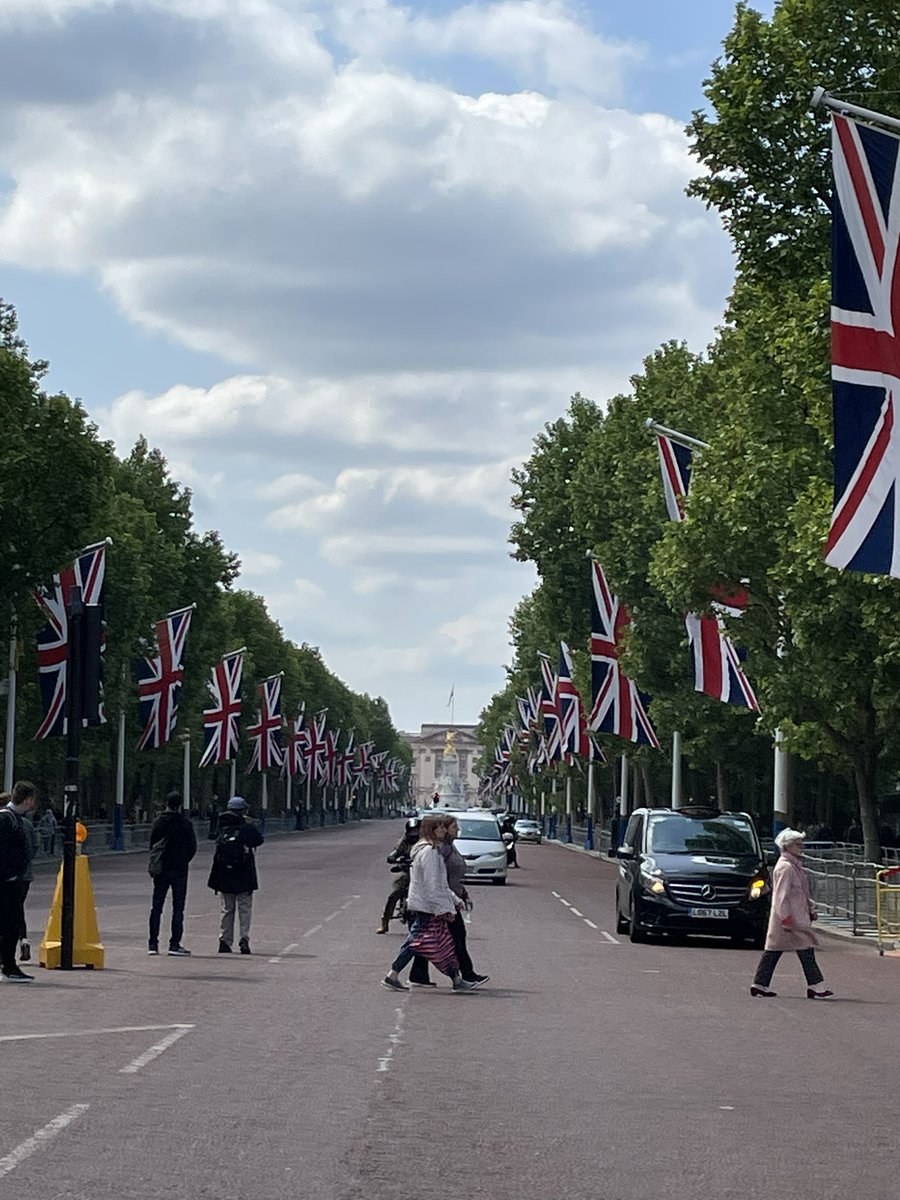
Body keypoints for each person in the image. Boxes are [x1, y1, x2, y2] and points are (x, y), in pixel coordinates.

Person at [381, 814, 477, 993]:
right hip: (428, 906)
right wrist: (444, 908)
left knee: (442, 943)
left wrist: (454, 900)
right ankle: (393, 974)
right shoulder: (430, 852)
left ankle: (456, 979)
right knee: (420, 942)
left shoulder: (431, 850)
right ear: (431, 830)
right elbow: (434, 885)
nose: (443, 830)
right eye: (439, 827)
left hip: (429, 904)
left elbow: (440, 883)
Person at [750, 828, 833, 1000]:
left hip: (793, 918)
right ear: (787, 846)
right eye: (797, 844)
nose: (800, 847)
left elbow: (802, 893)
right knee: (805, 950)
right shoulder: (786, 868)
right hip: (790, 919)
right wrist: (786, 917)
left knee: (775, 951)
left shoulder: (792, 867)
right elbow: (781, 895)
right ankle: (816, 986)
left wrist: (810, 909)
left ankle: (759, 984)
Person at [411, 815, 489, 989]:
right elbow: (438, 878)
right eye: (453, 827)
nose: (456, 830)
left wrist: (463, 893)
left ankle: (419, 974)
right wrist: (445, 902)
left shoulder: (448, 847)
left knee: (431, 938)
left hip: (449, 897)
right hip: (443, 901)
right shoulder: (441, 849)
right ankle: (465, 974)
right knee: (454, 937)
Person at [208, 796, 264, 954]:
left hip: (225, 873)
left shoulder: (221, 827)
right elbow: (258, 841)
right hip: (244, 873)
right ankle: (244, 938)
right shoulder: (246, 828)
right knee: (244, 908)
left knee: (227, 909)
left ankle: (224, 940)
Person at [147, 791, 197, 956]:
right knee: (178, 908)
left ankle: (153, 943)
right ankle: (174, 944)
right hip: (179, 868)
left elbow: (153, 844)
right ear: (179, 805)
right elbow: (192, 847)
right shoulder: (185, 823)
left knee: (157, 906)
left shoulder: (159, 822)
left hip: (161, 867)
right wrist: (183, 859)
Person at [0, 781, 39, 982]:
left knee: (10, 923)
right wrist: (9, 874)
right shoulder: (8, 820)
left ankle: (8, 964)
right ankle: (8, 966)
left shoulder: (10, 818)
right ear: (28, 799)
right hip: (8, 881)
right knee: (10, 923)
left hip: (11, 879)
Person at [376, 818, 420, 934]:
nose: (413, 834)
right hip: (406, 871)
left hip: (419, 873)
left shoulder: (423, 842)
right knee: (394, 895)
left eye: (416, 831)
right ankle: (385, 922)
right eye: (412, 831)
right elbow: (396, 851)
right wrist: (393, 857)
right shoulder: (404, 841)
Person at [17, 802, 39, 962]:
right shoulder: (27, 824)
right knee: (17, 908)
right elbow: (35, 847)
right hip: (25, 874)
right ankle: (24, 940)